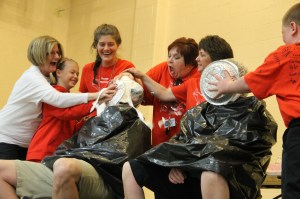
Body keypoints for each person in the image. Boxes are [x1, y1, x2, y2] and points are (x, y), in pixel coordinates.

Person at [122, 59, 277, 199]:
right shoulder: (199, 113)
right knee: (131, 168)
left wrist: (187, 163)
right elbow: (180, 144)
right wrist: (175, 164)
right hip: (189, 177)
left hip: (233, 182)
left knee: (211, 168)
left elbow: (229, 154)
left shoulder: (253, 113)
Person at [0, 76, 150, 199]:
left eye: (120, 81)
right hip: (69, 169)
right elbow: (74, 143)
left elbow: (121, 165)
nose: (114, 84)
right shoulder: (97, 116)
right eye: (113, 81)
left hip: (105, 180)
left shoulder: (138, 124)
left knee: (64, 166)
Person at [209, 3, 300, 199]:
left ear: (293, 28)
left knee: (294, 190)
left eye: (282, 33)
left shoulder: (287, 53)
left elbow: (254, 79)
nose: (283, 39)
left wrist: (227, 86)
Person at [0, 35, 100, 160]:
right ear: (40, 54)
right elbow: (59, 100)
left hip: (27, 143)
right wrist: (96, 97)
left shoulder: (49, 80)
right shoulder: (32, 78)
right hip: (8, 138)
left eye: (58, 53)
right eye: (52, 53)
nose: (57, 57)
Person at [26, 58, 117, 162]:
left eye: (77, 74)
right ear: (59, 72)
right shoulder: (52, 95)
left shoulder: (70, 99)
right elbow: (68, 114)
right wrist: (96, 102)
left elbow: (72, 126)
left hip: (58, 153)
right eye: (72, 72)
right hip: (43, 151)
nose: (75, 77)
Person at [125, 35, 233, 119]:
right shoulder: (191, 83)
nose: (197, 59)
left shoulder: (229, 84)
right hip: (183, 143)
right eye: (169, 56)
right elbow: (164, 93)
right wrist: (134, 77)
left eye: (176, 57)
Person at [140, 37, 200, 146]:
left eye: (176, 57)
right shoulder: (163, 68)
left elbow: (165, 94)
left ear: (190, 64)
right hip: (159, 142)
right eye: (169, 56)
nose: (170, 61)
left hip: (185, 144)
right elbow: (140, 86)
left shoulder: (198, 78)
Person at [79, 23, 135, 93]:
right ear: (96, 45)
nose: (106, 48)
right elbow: (83, 99)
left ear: (118, 45)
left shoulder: (127, 66)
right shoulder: (87, 69)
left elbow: (135, 96)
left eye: (110, 44)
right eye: (102, 44)